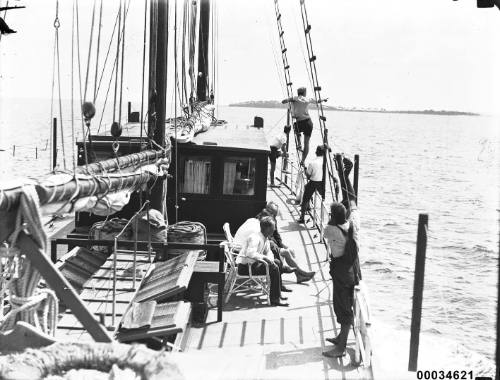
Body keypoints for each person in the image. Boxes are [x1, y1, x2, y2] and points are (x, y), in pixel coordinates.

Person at [322, 157, 360, 358]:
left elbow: (324, 234)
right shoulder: (351, 225)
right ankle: (340, 338)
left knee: (343, 308)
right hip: (350, 270)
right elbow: (352, 201)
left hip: (340, 271)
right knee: (342, 305)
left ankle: (341, 347)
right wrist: (344, 175)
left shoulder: (331, 229)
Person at [236, 216, 289, 307]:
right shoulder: (255, 237)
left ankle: (278, 293)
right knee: (274, 268)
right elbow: (250, 253)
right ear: (268, 228)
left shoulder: (265, 238)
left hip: (253, 265)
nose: (274, 229)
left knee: (277, 262)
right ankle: (275, 299)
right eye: (273, 227)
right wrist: (265, 258)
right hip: (245, 267)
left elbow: (269, 252)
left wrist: (270, 259)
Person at [259, 202, 316, 284]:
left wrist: (282, 245)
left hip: (274, 243)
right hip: (267, 246)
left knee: (290, 250)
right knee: (286, 252)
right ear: (269, 212)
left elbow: (276, 235)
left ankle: (298, 275)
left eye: (275, 215)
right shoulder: (264, 220)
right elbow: (267, 237)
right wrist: (280, 247)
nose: (275, 217)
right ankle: (301, 272)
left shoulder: (272, 219)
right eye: (274, 215)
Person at [281, 87, 327, 165]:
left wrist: (289, 100)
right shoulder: (308, 99)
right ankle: (303, 160)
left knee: (296, 128)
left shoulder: (295, 98)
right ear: (304, 93)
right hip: (308, 122)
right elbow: (317, 101)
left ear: (298, 93)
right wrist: (323, 99)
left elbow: (283, 101)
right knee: (307, 143)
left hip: (299, 122)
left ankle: (299, 143)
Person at [297, 145, 326, 224]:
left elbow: (308, 176)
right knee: (323, 198)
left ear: (316, 152)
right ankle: (311, 208)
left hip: (313, 182)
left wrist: (305, 168)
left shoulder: (312, 163)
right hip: (321, 183)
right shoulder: (325, 162)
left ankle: (302, 217)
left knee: (305, 199)